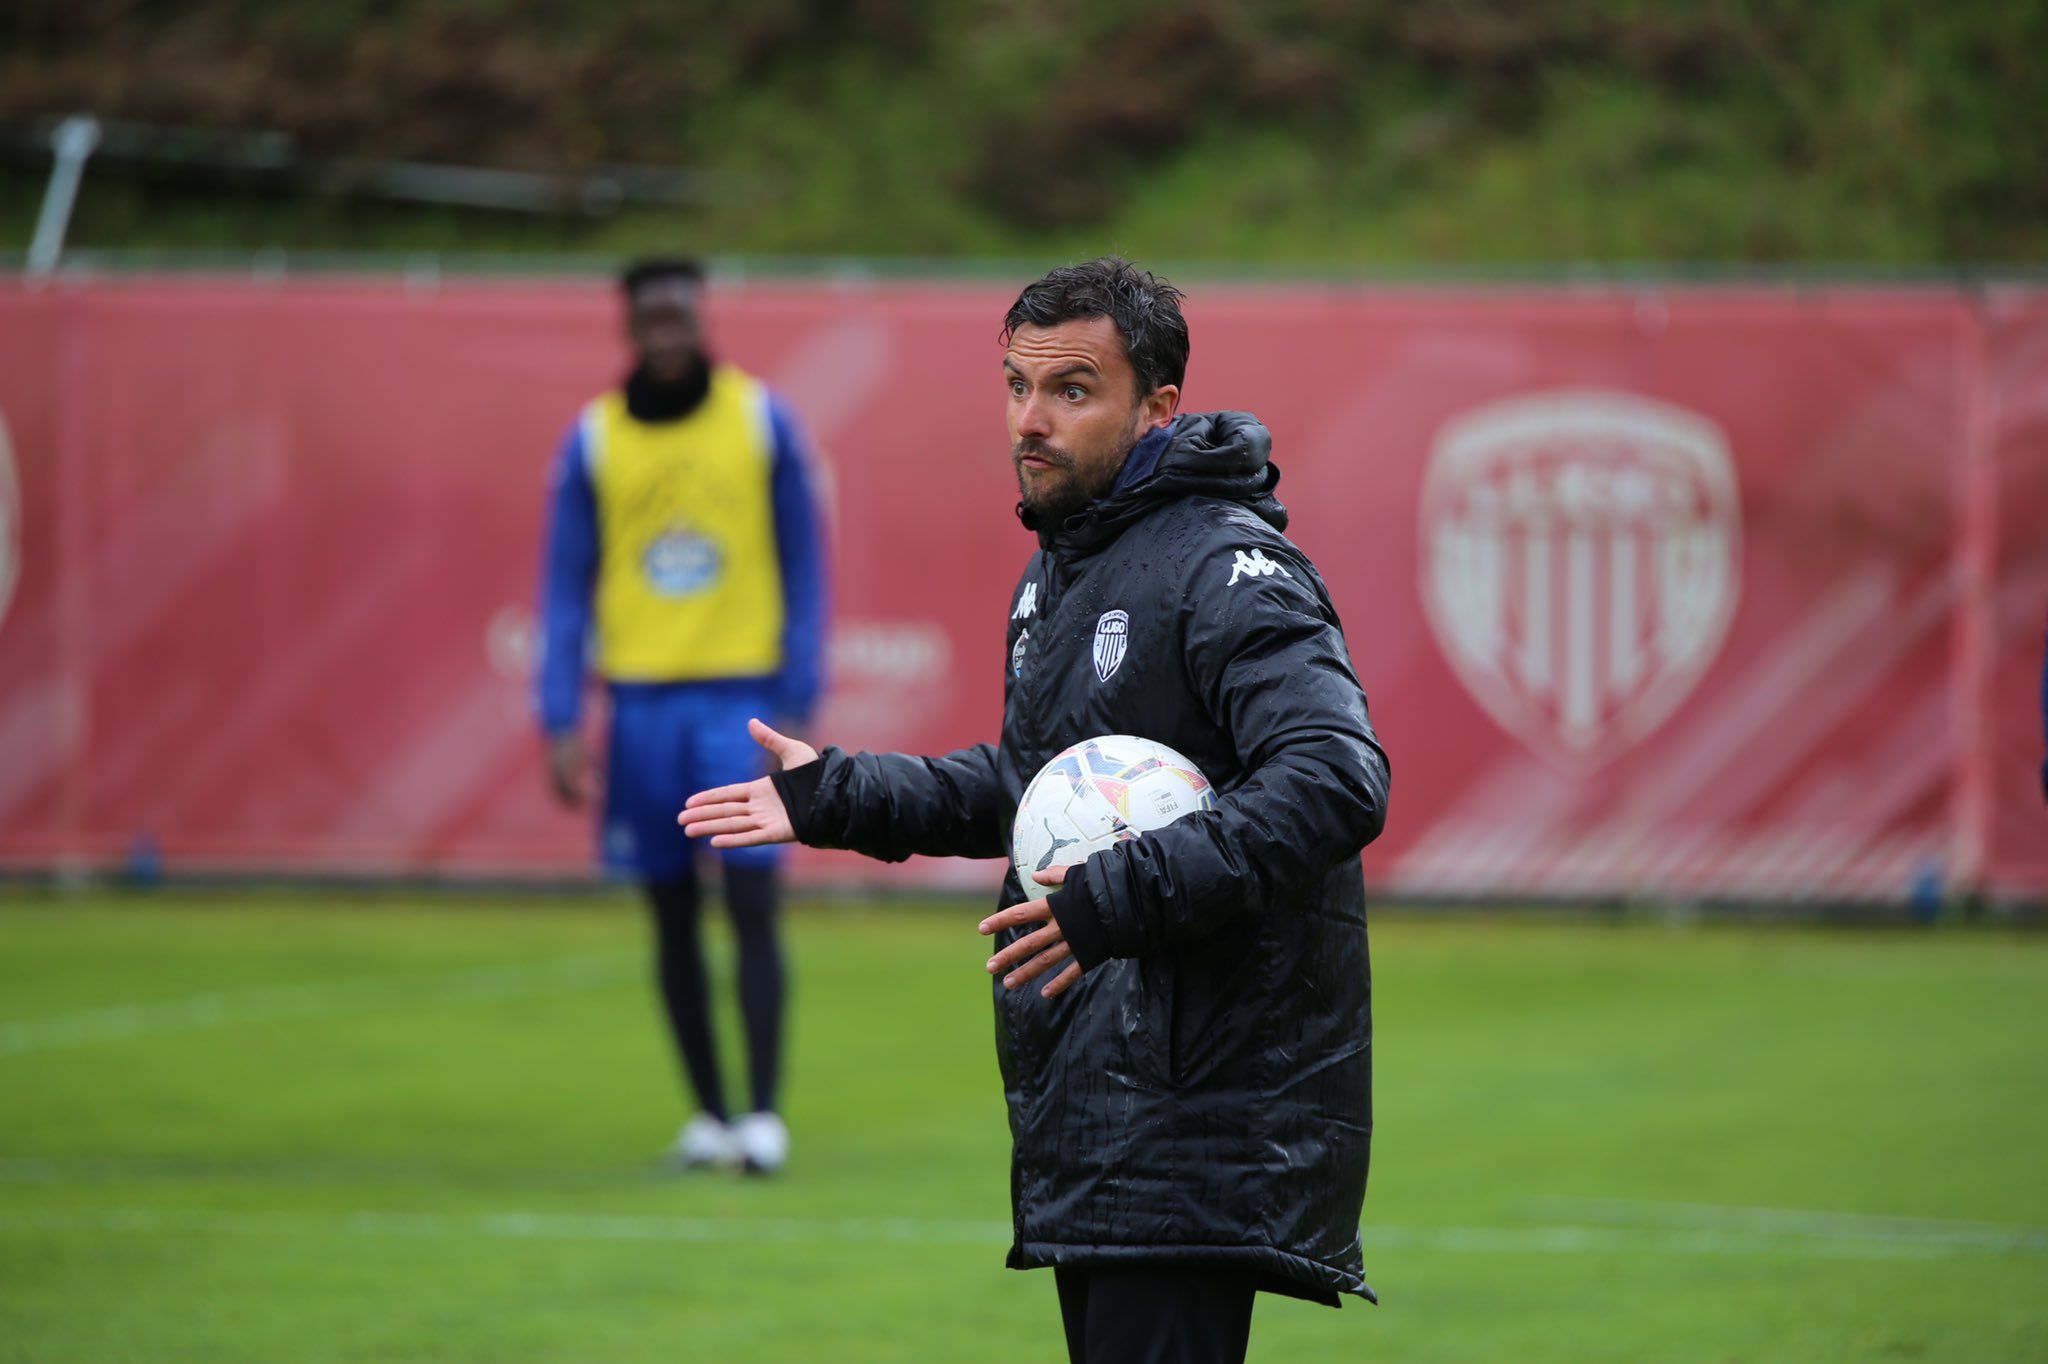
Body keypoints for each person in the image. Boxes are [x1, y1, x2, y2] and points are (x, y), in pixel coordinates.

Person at [679, 257, 1389, 1363]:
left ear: (1156, 406)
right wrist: (838, 794)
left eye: (1070, 389)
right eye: (1015, 385)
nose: (1030, 418)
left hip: (1196, 1112)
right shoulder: (1062, 567)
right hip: (1100, 1110)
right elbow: (1030, 788)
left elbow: (1333, 774)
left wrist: (1114, 898)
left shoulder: (1228, 567)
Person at [536, 257, 827, 1174]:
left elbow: (804, 561)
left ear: (702, 321)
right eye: (650, 317)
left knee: (751, 901)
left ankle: (765, 1118)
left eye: (680, 315)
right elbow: (564, 586)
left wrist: (798, 689)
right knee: (666, 913)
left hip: (736, 702)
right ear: (630, 327)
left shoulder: (759, 420)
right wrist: (558, 713)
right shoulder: (594, 439)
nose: (667, 332)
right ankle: (708, 1114)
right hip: (640, 706)